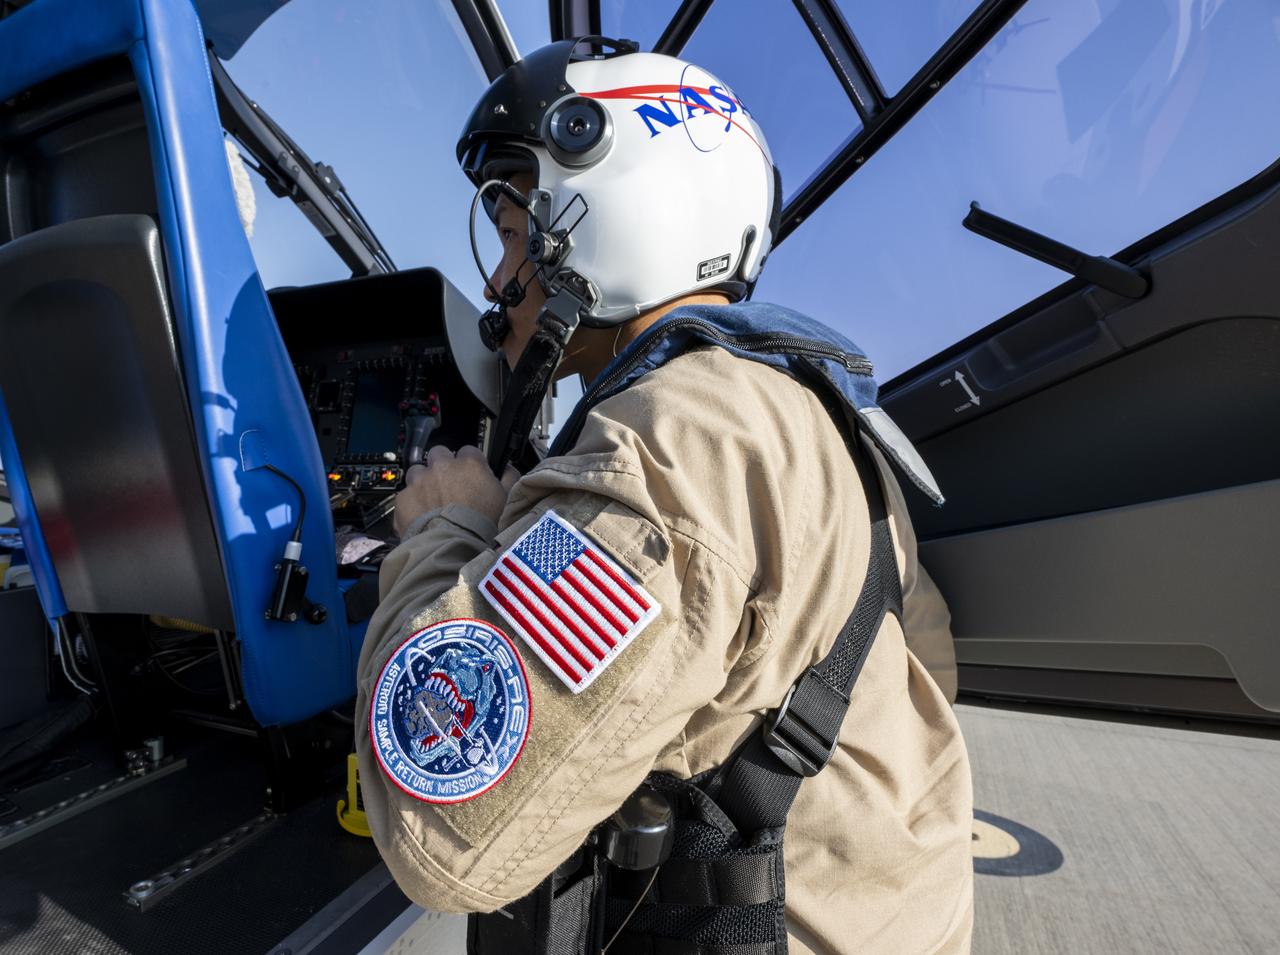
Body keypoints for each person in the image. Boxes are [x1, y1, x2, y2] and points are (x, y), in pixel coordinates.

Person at [355, 37, 972, 954]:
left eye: (517, 234)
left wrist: (443, 528)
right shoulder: (813, 411)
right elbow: (929, 672)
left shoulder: (675, 437)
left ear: (611, 217)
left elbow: (444, 831)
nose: (496, 279)